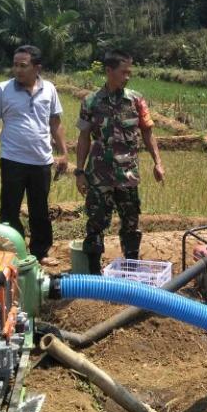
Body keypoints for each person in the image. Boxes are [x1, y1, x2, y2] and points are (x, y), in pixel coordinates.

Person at [75, 50, 165, 273]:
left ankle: (131, 268)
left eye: (129, 72)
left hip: (128, 174)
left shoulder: (136, 100)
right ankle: (94, 272)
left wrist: (158, 162)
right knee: (95, 222)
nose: (127, 76)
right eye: (123, 72)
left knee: (131, 223)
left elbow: (148, 133)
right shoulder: (90, 101)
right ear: (109, 71)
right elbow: (84, 137)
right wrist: (79, 172)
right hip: (99, 174)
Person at [0, 45, 67, 259]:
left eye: (23, 65)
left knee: (39, 210)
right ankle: (13, 252)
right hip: (12, 160)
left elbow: (55, 122)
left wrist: (64, 153)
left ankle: (40, 252)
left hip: (41, 161)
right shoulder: (3, 89)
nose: (18, 70)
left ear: (37, 68)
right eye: (15, 65)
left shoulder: (49, 90)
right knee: (9, 210)